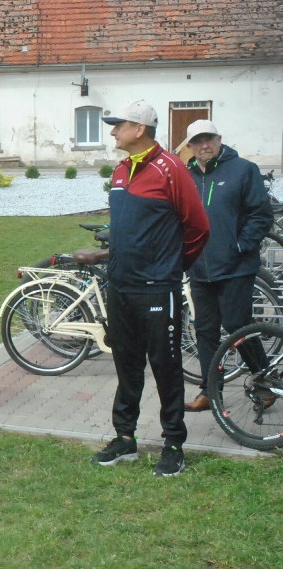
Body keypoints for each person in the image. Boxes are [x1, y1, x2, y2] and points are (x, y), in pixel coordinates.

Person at [92, 100, 210, 476]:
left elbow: (198, 228)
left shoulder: (171, 168)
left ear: (140, 129)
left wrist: (170, 268)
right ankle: (124, 438)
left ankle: (173, 443)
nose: (113, 131)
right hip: (121, 287)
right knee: (127, 365)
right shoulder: (121, 169)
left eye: (119, 125)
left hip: (158, 288)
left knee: (165, 367)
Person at [183, 120, 275, 412]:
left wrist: (240, 245)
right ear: (190, 147)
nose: (204, 145)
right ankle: (210, 391)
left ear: (219, 139)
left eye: (208, 139)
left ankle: (265, 382)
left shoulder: (243, 170)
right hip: (199, 268)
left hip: (236, 267)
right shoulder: (187, 177)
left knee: (238, 327)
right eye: (197, 141)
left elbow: (261, 215)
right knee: (205, 330)